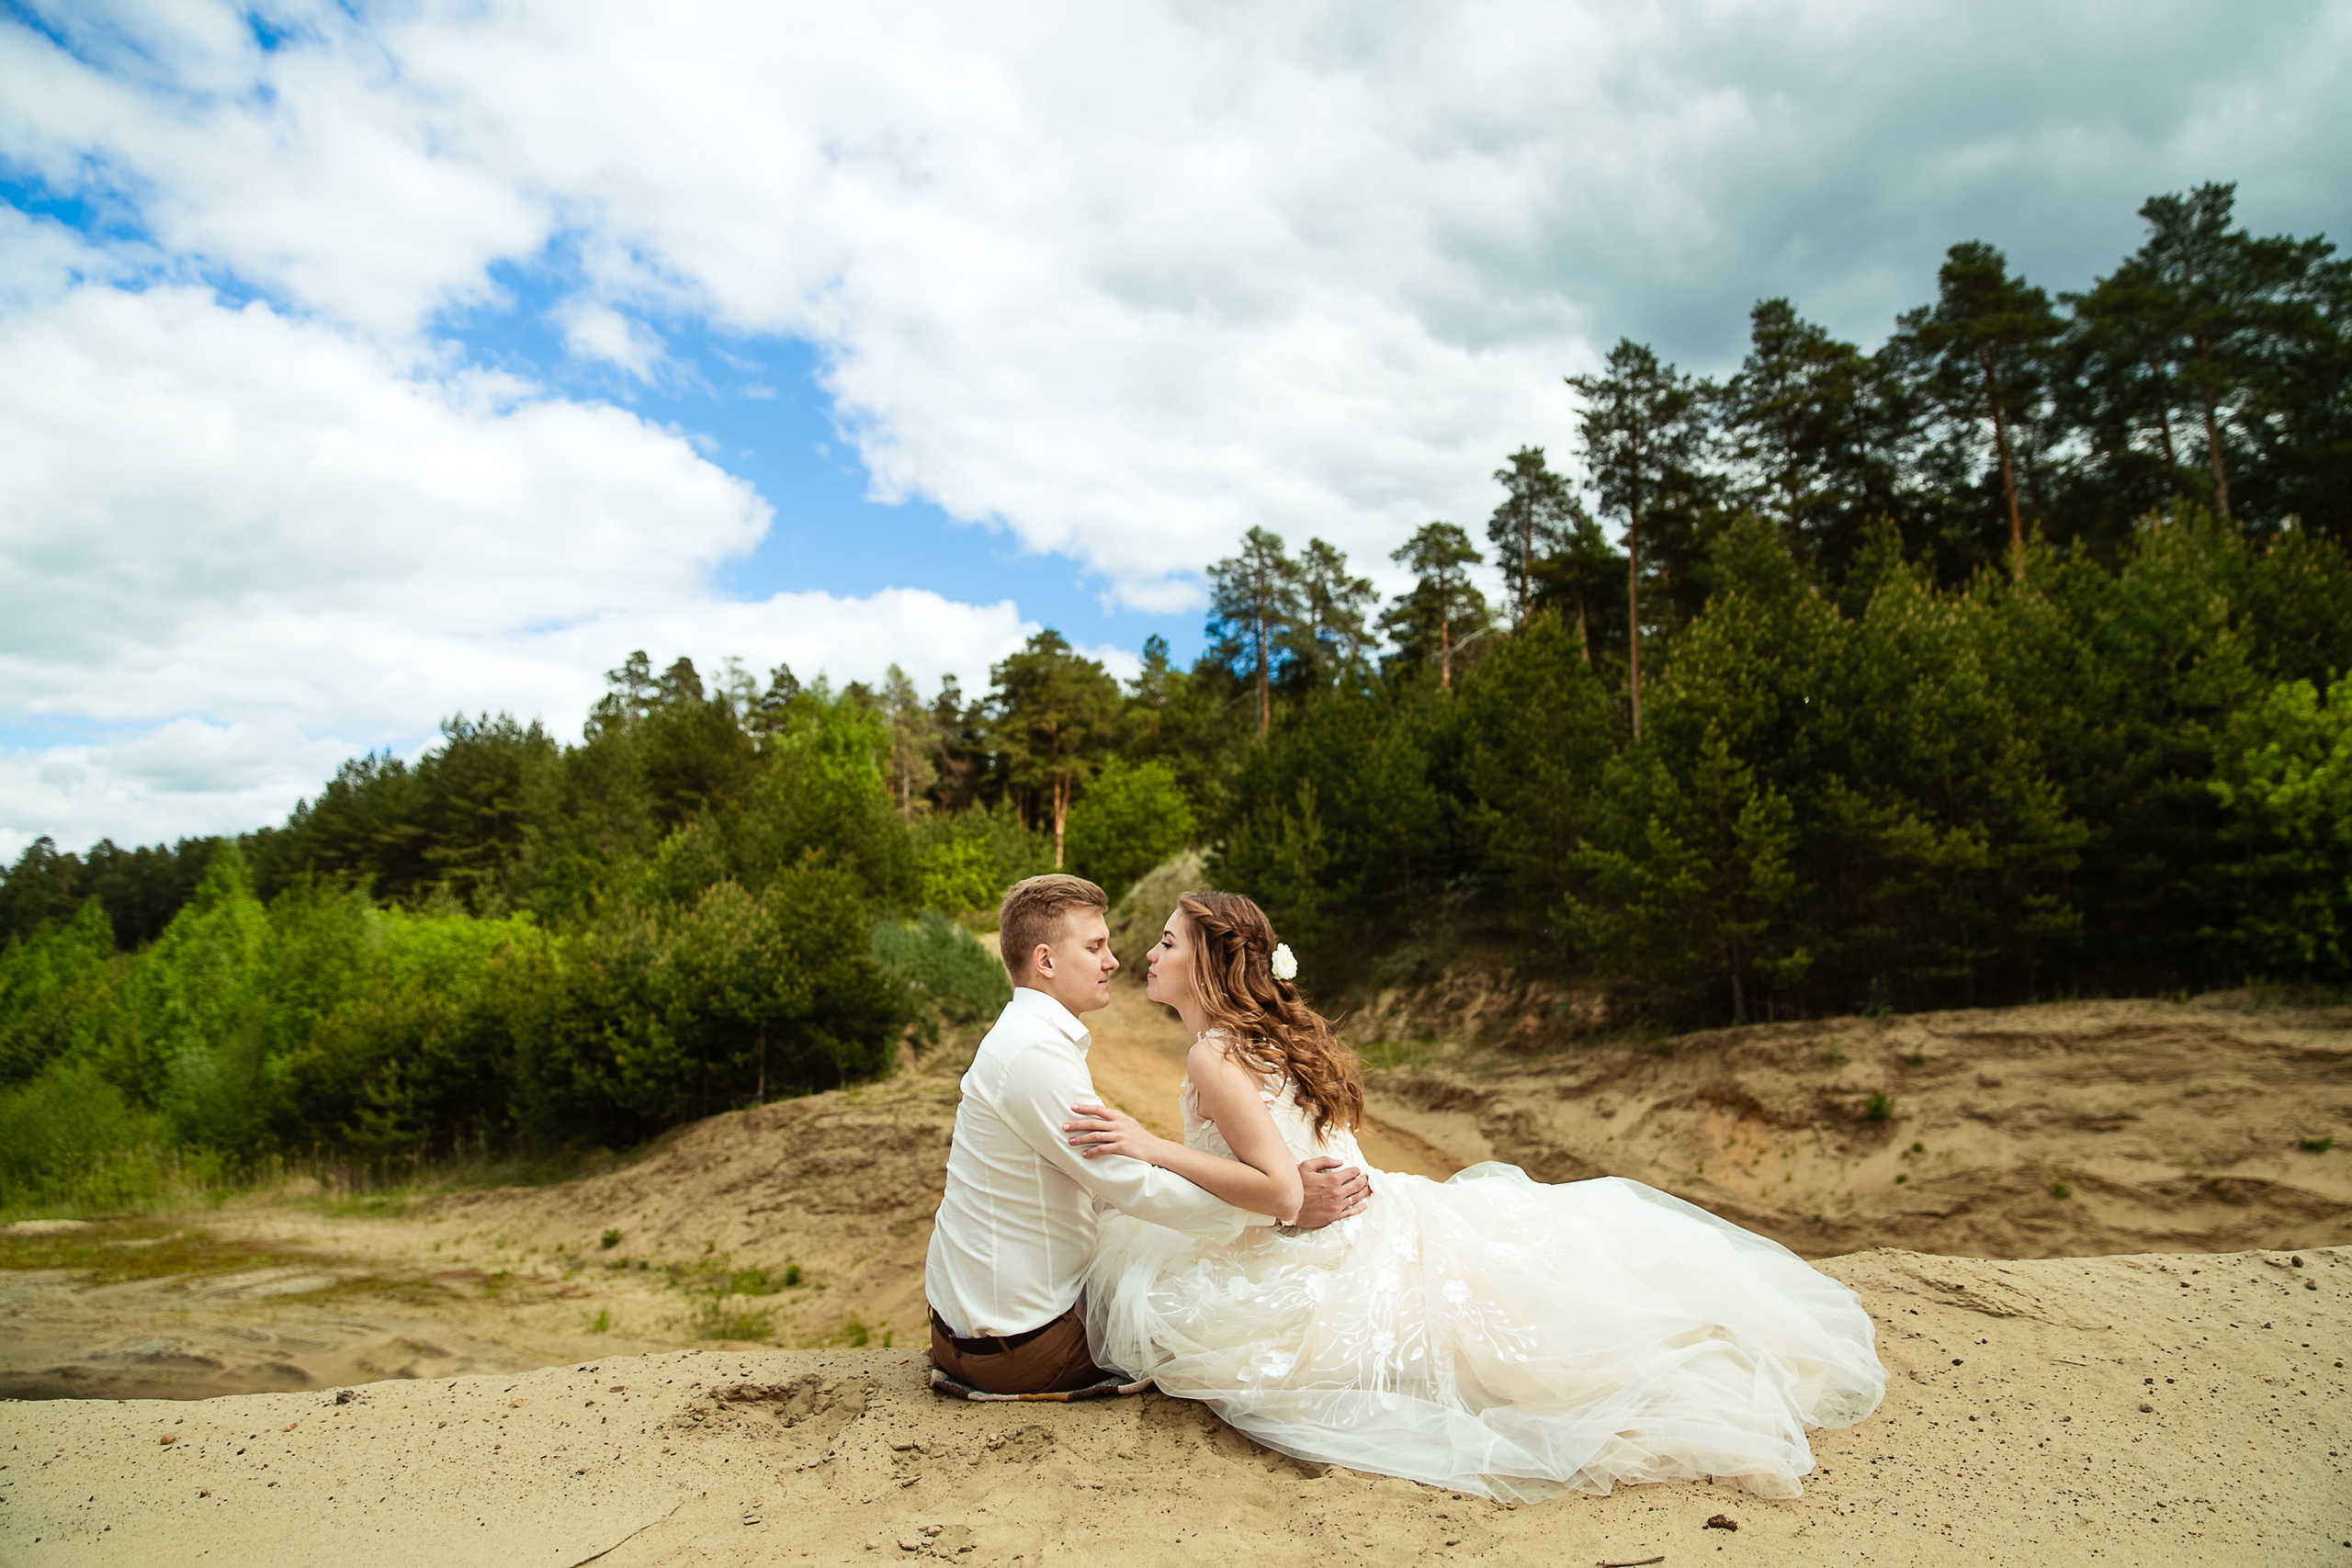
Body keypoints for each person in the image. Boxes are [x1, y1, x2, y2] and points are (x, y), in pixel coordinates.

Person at [1064, 890, 1887, 1499]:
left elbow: (1280, 1184)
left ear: (1204, 961)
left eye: (1166, 941)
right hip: (1374, 1210)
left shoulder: (1214, 1054)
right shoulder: (1264, 1035)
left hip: (1324, 1241)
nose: (1148, 953)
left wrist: (1148, 1145)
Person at [923, 874, 1373, 1397]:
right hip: (1022, 1347)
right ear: (1045, 962)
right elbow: (1135, 1186)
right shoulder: (1034, 1054)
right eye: (1096, 947)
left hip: (980, 1330)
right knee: (1217, 1326)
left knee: (1156, 1269)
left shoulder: (1026, 1038)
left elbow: (1106, 1186)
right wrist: (1283, 1211)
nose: (1116, 960)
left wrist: (1268, 1199)